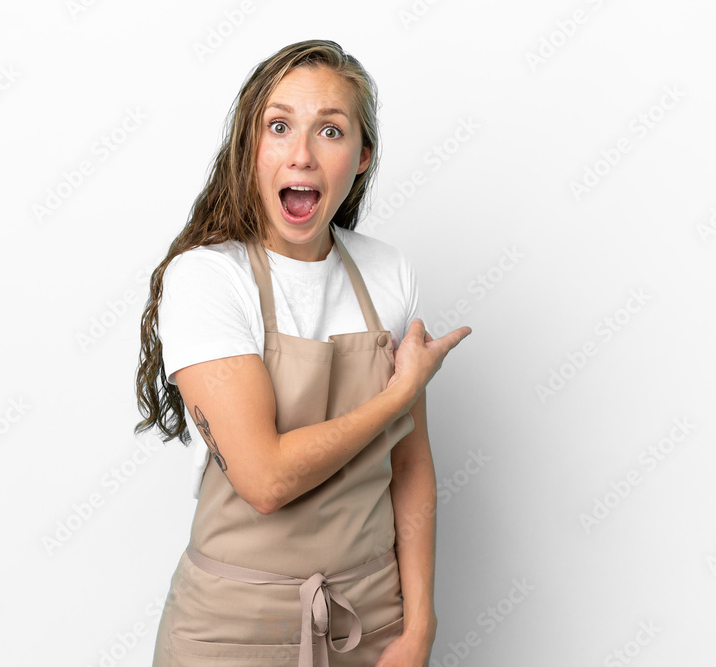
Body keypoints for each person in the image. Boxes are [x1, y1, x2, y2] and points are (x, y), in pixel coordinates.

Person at [134, 39, 471, 667]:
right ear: (249, 148)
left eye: (331, 131)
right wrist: (399, 394)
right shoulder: (208, 278)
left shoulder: (388, 272)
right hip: (231, 629)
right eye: (279, 126)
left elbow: (411, 465)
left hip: (370, 620)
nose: (302, 155)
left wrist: (418, 626)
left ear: (363, 157)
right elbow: (266, 480)